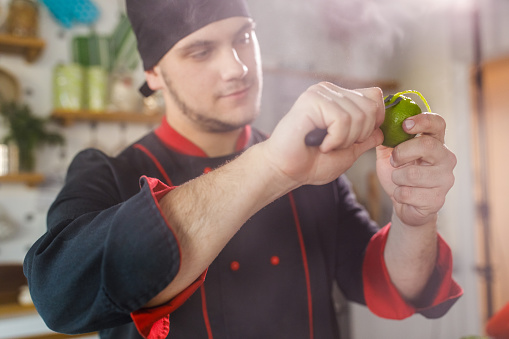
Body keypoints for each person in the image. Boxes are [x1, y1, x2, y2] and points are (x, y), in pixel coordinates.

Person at [23, 0, 463, 338]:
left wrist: (413, 215)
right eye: (200, 52)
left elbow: (383, 281)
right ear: (154, 73)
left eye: (243, 37)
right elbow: (60, 293)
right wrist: (272, 167)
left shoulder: (317, 165)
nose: (236, 68)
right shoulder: (107, 173)